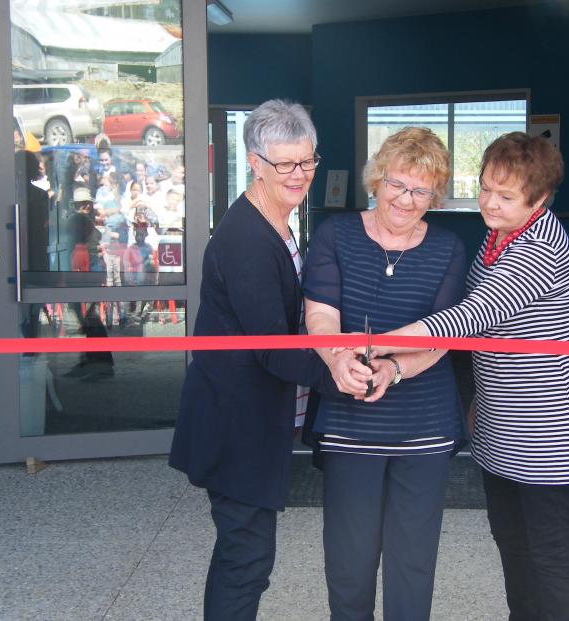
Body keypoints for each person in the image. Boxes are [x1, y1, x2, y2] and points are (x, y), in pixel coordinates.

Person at [368, 132, 569, 621]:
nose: (489, 204)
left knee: (550, 549)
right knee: (512, 540)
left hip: (548, 425)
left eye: (506, 196)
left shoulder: (542, 247)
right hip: (502, 417)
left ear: (538, 200)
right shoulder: (501, 235)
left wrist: (374, 342)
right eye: (485, 188)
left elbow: (473, 315)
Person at [168, 99, 361, 621]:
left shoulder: (276, 219)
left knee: (245, 555)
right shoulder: (248, 239)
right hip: (235, 427)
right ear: (255, 162)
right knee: (246, 559)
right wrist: (339, 371)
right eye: (285, 164)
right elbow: (274, 347)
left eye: (308, 161)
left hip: (249, 421)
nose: (300, 175)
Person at [302, 126, 467, 621]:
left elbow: (445, 334)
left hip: (425, 427)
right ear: (377, 180)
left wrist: (393, 367)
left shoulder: (449, 248)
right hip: (350, 425)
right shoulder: (337, 233)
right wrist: (337, 360)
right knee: (349, 564)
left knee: (413, 566)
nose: (406, 198)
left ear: (434, 195)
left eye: (421, 190)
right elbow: (321, 313)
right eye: (397, 184)